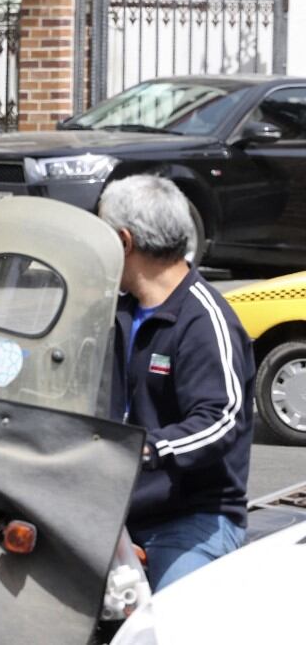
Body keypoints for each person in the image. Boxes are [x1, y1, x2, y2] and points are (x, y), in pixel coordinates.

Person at [99, 175, 254, 591]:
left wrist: (150, 448)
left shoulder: (204, 318)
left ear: (124, 241)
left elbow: (221, 419)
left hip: (191, 519)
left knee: (168, 620)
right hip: (107, 508)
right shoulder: (112, 309)